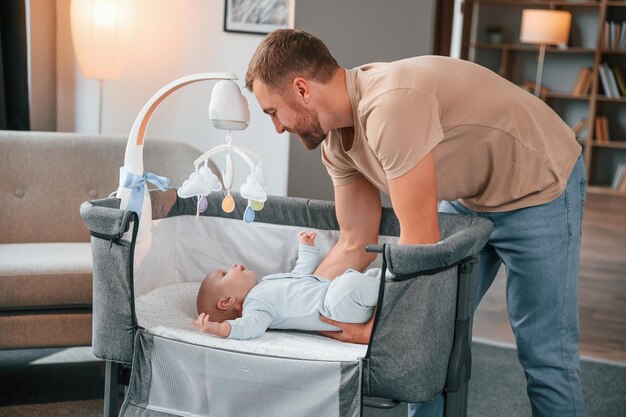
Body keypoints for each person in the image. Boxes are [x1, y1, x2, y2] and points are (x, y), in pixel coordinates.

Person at [244, 29, 586, 417]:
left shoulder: (389, 107)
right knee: (428, 343)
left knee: (545, 353)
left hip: (539, 186)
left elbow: (419, 243)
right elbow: (355, 242)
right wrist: (298, 305)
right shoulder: (336, 143)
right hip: (468, 196)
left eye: (273, 112)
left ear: (302, 89)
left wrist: (378, 327)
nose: (277, 127)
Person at [194, 231, 380, 340]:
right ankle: (391, 288)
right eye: (225, 274)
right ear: (226, 301)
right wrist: (218, 329)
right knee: (352, 284)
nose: (234, 266)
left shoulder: (266, 283)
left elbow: (300, 273)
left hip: (336, 295)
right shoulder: (256, 307)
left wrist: (306, 247)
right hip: (332, 308)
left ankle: (389, 282)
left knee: (365, 278)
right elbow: (248, 327)